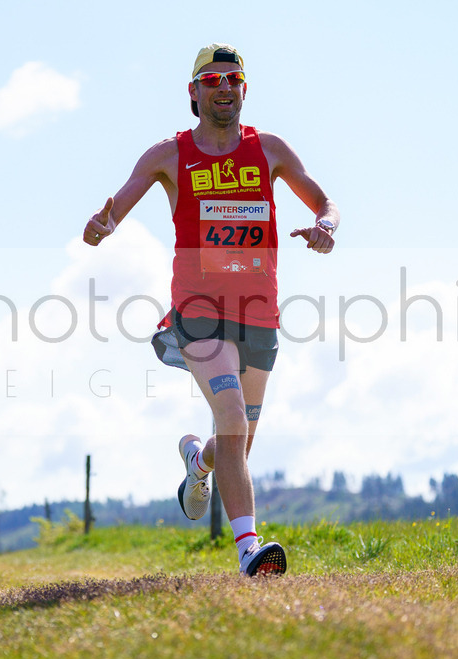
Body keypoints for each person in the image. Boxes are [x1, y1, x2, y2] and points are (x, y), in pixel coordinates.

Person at [83, 43, 339, 577]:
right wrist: (105, 225)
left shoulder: (268, 149)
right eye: (212, 79)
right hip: (198, 309)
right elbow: (121, 201)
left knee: (237, 440)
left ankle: (197, 465)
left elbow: (325, 202)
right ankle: (250, 550)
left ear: (243, 89)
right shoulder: (167, 155)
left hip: (259, 311)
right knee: (228, 415)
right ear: (194, 92)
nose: (224, 87)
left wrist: (325, 227)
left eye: (233, 78)